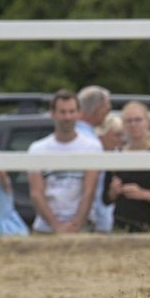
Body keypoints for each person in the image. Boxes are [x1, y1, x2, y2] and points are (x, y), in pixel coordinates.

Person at [27, 89, 102, 233]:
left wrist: (77, 225)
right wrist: (56, 226)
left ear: (79, 113)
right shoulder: (37, 149)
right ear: (53, 113)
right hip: (46, 228)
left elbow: (89, 189)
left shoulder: (92, 146)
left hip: (83, 226)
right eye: (62, 112)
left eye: (71, 111)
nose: (67, 117)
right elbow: (36, 193)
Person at [104, 101, 150, 233]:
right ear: (123, 125)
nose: (133, 124)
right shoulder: (115, 154)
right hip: (121, 225)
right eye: (128, 121)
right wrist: (113, 191)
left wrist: (143, 194)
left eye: (138, 120)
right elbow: (105, 198)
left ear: (148, 122)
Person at [78, 85, 116, 233]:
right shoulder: (91, 143)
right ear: (98, 108)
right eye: (107, 107)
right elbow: (93, 188)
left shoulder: (79, 137)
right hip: (87, 219)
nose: (109, 111)